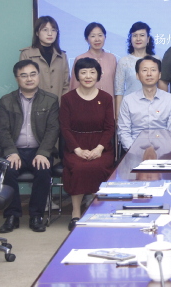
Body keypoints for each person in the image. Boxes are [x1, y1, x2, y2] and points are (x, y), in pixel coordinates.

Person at [0, 60, 59, 233]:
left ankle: (36, 215)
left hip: (39, 150)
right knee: (8, 170)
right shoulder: (6, 101)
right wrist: (11, 152)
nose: (29, 79)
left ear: (38, 76)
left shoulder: (50, 100)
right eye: (24, 75)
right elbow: (2, 130)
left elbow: (53, 129)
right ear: (17, 78)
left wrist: (43, 153)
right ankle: (12, 215)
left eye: (33, 74)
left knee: (43, 170)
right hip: (15, 151)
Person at [60, 58, 115, 231]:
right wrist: (77, 150)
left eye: (92, 72)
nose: (88, 76)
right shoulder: (67, 99)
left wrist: (99, 148)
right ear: (77, 76)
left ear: (98, 75)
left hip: (101, 146)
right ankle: (76, 212)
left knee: (98, 166)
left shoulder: (106, 98)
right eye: (83, 72)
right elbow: (65, 128)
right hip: (75, 146)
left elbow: (110, 127)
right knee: (79, 167)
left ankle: (98, 210)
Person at [118, 56, 171, 150]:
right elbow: (124, 132)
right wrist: (135, 151)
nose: (149, 74)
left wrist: (162, 151)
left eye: (153, 70)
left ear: (159, 75)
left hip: (163, 151)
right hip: (135, 150)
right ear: (137, 75)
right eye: (144, 70)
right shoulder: (128, 100)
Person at [19, 16, 70, 100]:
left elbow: (66, 84)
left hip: (58, 104)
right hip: (34, 104)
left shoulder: (62, 56)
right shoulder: (27, 54)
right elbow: (24, 82)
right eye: (45, 30)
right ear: (37, 33)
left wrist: (63, 104)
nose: (50, 33)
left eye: (53, 30)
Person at [114, 21, 156, 117]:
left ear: (148, 39)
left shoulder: (157, 60)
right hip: (130, 109)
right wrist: (118, 116)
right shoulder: (123, 61)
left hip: (153, 109)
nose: (138, 39)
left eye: (142, 35)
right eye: (134, 35)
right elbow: (119, 91)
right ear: (130, 39)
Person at [70, 22, 117, 100]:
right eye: (93, 36)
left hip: (108, 103)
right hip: (86, 103)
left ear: (105, 37)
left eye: (100, 35)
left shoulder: (112, 58)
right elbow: (74, 86)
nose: (97, 39)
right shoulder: (80, 59)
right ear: (86, 39)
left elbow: (116, 86)